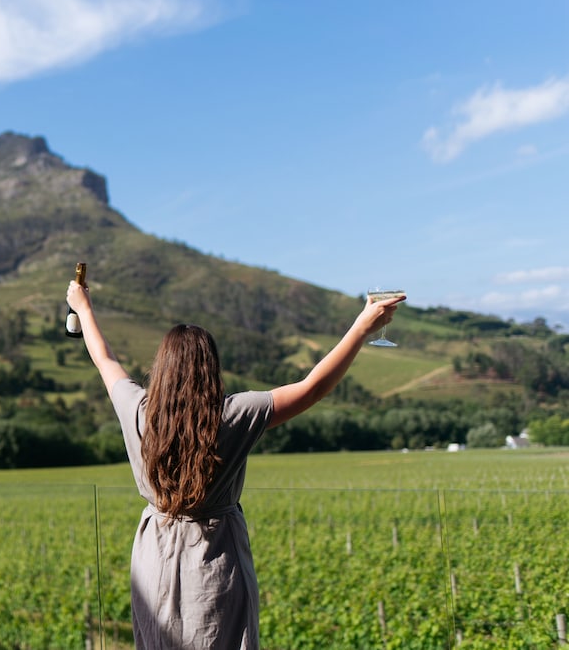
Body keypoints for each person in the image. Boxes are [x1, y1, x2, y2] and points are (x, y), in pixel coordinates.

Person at [66, 277, 405, 650]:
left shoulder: (138, 410)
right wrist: (361, 327)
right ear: (211, 368)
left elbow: (105, 359)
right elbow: (312, 388)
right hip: (216, 557)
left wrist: (83, 309)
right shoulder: (234, 415)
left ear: (161, 367)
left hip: (153, 557)